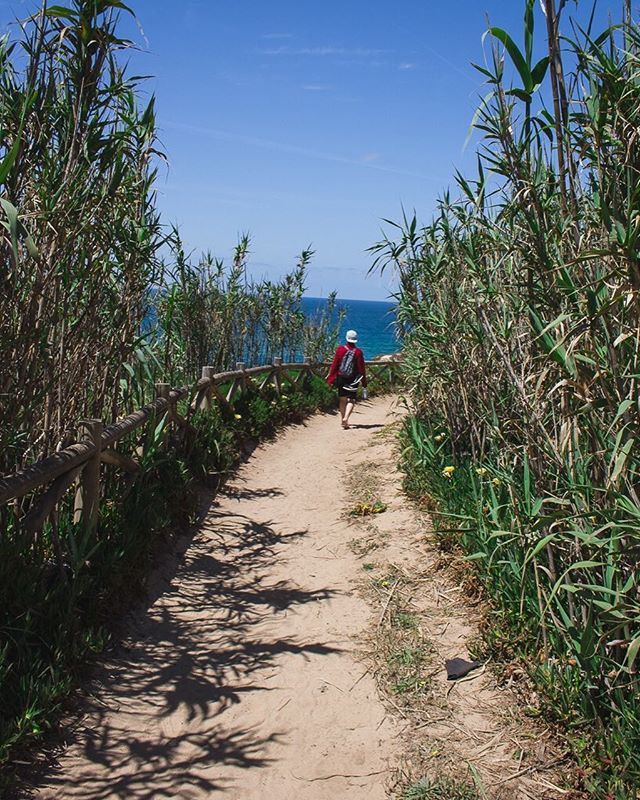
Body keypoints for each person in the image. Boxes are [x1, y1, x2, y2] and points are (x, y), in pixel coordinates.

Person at [327, 329, 368, 429]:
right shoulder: (358, 352)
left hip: (341, 377)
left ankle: (343, 420)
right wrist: (364, 382)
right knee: (352, 400)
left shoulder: (340, 349)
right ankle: (346, 418)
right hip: (353, 379)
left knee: (342, 399)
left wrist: (331, 379)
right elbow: (361, 368)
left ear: (347, 338)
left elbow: (335, 365)